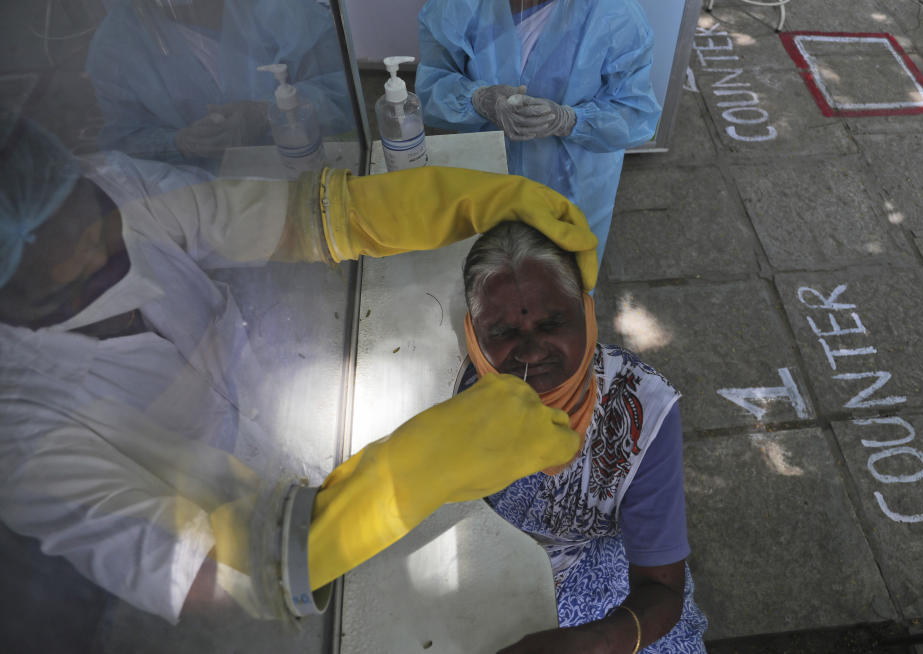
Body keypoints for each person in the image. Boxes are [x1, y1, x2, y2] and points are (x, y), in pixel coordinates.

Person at [0, 116, 599, 623]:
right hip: (249, 586)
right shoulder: (21, 433)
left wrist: (468, 201)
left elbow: (302, 218)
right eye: (74, 254)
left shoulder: (112, 189)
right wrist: (408, 479)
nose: (110, 244)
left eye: (96, 215)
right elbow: (202, 571)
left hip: (277, 425)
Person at [456, 222, 707, 653]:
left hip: (596, 569)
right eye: (502, 333)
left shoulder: (642, 416)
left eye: (553, 322)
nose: (532, 352)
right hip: (482, 563)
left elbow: (661, 589)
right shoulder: (454, 401)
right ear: (474, 334)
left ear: (586, 314)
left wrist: (599, 641)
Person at [416, 0, 662, 266]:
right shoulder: (460, 6)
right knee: (485, 272)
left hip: (571, 182)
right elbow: (433, 83)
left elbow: (636, 111)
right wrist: (479, 100)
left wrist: (570, 120)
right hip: (485, 173)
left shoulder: (613, 12)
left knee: (563, 275)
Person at [86, 0, 353, 167]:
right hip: (206, 192)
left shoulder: (280, 9)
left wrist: (265, 114)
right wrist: (179, 143)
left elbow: (344, 91)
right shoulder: (117, 45)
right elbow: (123, 139)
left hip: (312, 163)